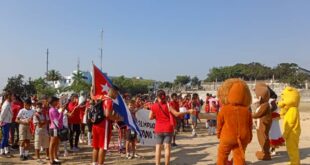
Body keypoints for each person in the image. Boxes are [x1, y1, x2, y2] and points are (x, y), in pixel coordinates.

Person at [149, 90, 193, 165]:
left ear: (157, 97)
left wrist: (157, 115)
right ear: (165, 96)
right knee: (167, 148)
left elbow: (150, 117)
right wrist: (188, 111)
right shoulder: (168, 105)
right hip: (168, 128)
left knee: (158, 148)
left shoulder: (154, 105)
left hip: (158, 128)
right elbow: (176, 114)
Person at [91, 85, 123, 165]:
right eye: (116, 94)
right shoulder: (109, 101)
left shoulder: (100, 97)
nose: (117, 96)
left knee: (96, 146)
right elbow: (107, 114)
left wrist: (91, 89)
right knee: (103, 146)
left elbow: (92, 96)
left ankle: (94, 163)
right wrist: (118, 118)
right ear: (113, 92)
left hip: (96, 124)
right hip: (104, 125)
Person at [49, 96, 63, 165]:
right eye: (56, 101)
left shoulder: (53, 109)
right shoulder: (53, 110)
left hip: (55, 128)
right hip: (54, 128)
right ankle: (51, 159)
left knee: (56, 144)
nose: (57, 102)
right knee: (53, 144)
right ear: (53, 102)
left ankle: (55, 158)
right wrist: (62, 112)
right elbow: (57, 120)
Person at [0, 91, 13, 157]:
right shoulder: (6, 104)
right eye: (12, 96)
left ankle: (5, 150)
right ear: (8, 96)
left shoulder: (9, 103)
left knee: (6, 137)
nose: (13, 97)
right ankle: (1, 151)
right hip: (5, 122)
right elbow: (2, 114)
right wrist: (1, 121)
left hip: (7, 121)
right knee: (5, 137)